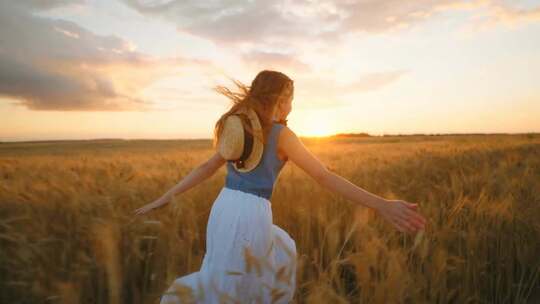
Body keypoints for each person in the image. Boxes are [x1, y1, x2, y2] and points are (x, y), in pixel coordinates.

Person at [133, 70, 427, 303]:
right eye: (290, 98)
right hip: (250, 213)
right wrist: (381, 204)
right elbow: (324, 176)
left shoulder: (240, 126)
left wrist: (164, 197)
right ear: (281, 98)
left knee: (230, 275)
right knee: (243, 287)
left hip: (223, 208)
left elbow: (206, 168)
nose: (292, 105)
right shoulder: (282, 134)